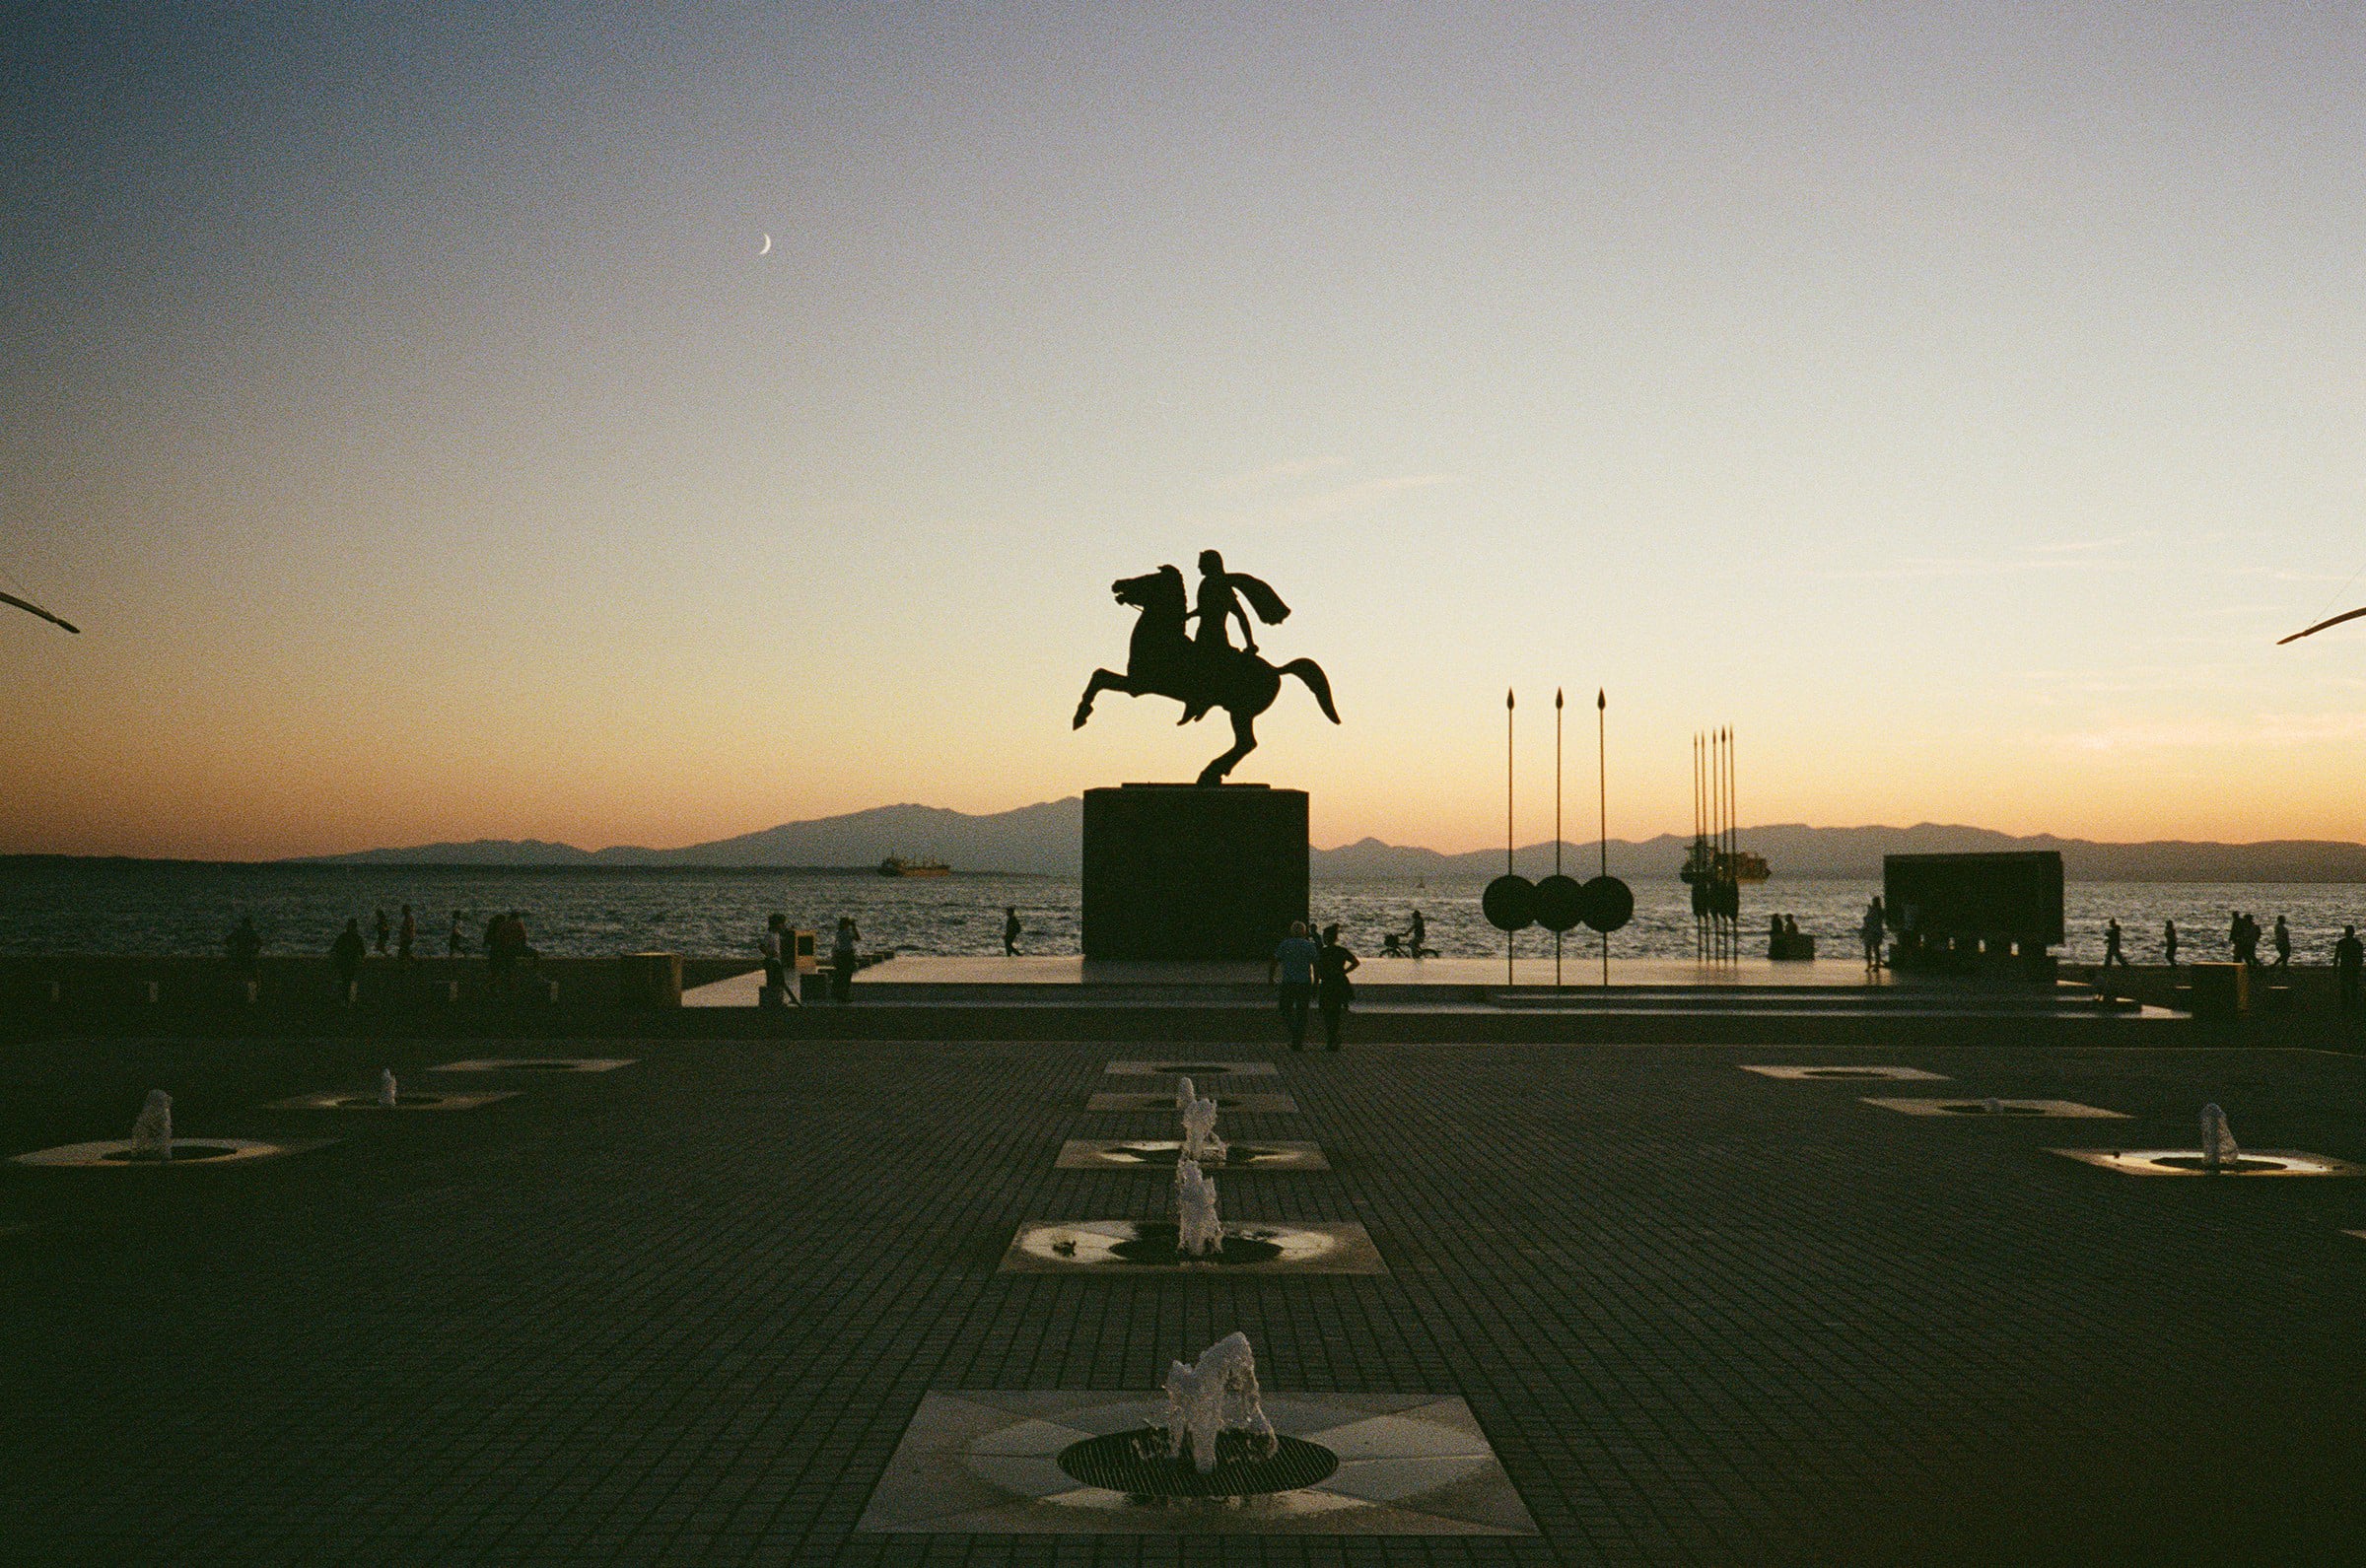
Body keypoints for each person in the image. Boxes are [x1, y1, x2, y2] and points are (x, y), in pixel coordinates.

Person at [1268, 920, 1319, 1051]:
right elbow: (1316, 965)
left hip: (1289, 982)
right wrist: (1316, 982)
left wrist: (1271, 977)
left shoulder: (1285, 944)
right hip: (1304, 983)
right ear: (1304, 932)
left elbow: (1275, 961)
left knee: (1285, 1009)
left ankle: (1294, 1033)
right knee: (1302, 1012)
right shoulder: (1309, 946)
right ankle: (1298, 1039)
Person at [1315, 922, 1359, 1052]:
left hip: (1327, 983)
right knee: (1336, 1012)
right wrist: (1345, 971)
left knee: (1327, 1013)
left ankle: (1331, 1039)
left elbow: (1318, 969)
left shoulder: (1322, 952)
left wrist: (1315, 984)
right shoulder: (1341, 951)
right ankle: (1334, 1039)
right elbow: (1355, 962)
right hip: (1340, 982)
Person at [331, 917, 367, 997]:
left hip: (345, 961)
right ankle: (347, 995)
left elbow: (335, 948)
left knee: (345, 979)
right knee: (348, 979)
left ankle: (345, 995)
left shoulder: (344, 936)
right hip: (349, 962)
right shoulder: (357, 937)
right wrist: (361, 960)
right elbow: (363, 952)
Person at [226, 915, 262, 984]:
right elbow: (260, 943)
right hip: (249, 954)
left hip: (239, 953)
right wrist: (255, 950)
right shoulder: (252, 932)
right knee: (252, 972)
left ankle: (236, 983)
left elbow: (228, 940)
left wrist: (232, 949)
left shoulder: (238, 931)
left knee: (237, 971)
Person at [830, 917, 859, 1003]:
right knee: (847, 976)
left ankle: (840, 995)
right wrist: (854, 927)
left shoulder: (839, 932)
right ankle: (844, 995)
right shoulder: (847, 932)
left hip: (840, 955)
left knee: (841, 975)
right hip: (848, 955)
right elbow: (858, 938)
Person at [2337, 925, 2363, 1013]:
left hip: (2347, 968)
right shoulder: (2357, 943)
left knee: (2347, 987)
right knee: (2352, 987)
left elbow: (2336, 957)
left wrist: (2335, 968)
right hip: (2351, 968)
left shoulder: (2342, 943)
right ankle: (2351, 1005)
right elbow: (2360, 958)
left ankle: (2347, 1005)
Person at [762, 913, 788, 1001]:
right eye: (781, 924)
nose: (783, 926)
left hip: (777, 961)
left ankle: (778, 998)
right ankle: (772, 999)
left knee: (779, 981)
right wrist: (770, 953)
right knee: (773, 981)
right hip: (771, 961)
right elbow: (762, 946)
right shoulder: (770, 935)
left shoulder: (777, 935)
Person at [1860, 898, 1885, 970]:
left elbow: (1869, 920)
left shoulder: (1878, 911)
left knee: (1874, 948)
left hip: (1874, 932)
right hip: (1872, 931)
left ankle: (1874, 964)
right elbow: (1867, 921)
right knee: (1872, 949)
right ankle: (1871, 964)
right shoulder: (1875, 910)